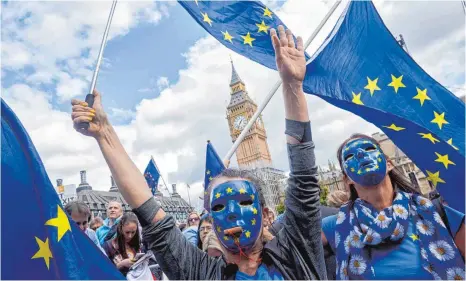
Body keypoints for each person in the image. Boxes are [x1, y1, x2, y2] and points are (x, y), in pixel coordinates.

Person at [70, 25, 326, 279]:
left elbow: (304, 177)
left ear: (267, 214)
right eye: (219, 206)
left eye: (245, 201)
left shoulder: (296, 251)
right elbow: (147, 209)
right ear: (211, 222)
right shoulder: (200, 272)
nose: (233, 212)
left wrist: (292, 85)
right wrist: (104, 134)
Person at [321, 133, 465, 280]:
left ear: (389, 164)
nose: (360, 153)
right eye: (349, 156)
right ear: (347, 180)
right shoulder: (337, 225)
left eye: (369, 148)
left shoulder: (435, 212)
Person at [102, 212, 142, 277]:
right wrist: (121, 264)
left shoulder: (137, 245)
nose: (130, 236)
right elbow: (104, 271)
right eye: (127, 232)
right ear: (121, 228)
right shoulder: (108, 246)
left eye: (133, 232)